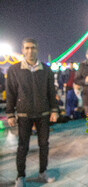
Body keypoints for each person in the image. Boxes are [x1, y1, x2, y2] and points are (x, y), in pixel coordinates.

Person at [6, 38, 58, 187]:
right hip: (24, 115)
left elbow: (51, 91)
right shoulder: (14, 70)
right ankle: (20, 176)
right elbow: (10, 93)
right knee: (23, 147)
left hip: (43, 113)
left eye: (33, 48)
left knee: (44, 145)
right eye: (27, 48)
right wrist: (10, 113)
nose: (30, 51)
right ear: (22, 50)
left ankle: (43, 172)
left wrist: (54, 110)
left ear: (37, 49)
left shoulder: (46, 69)